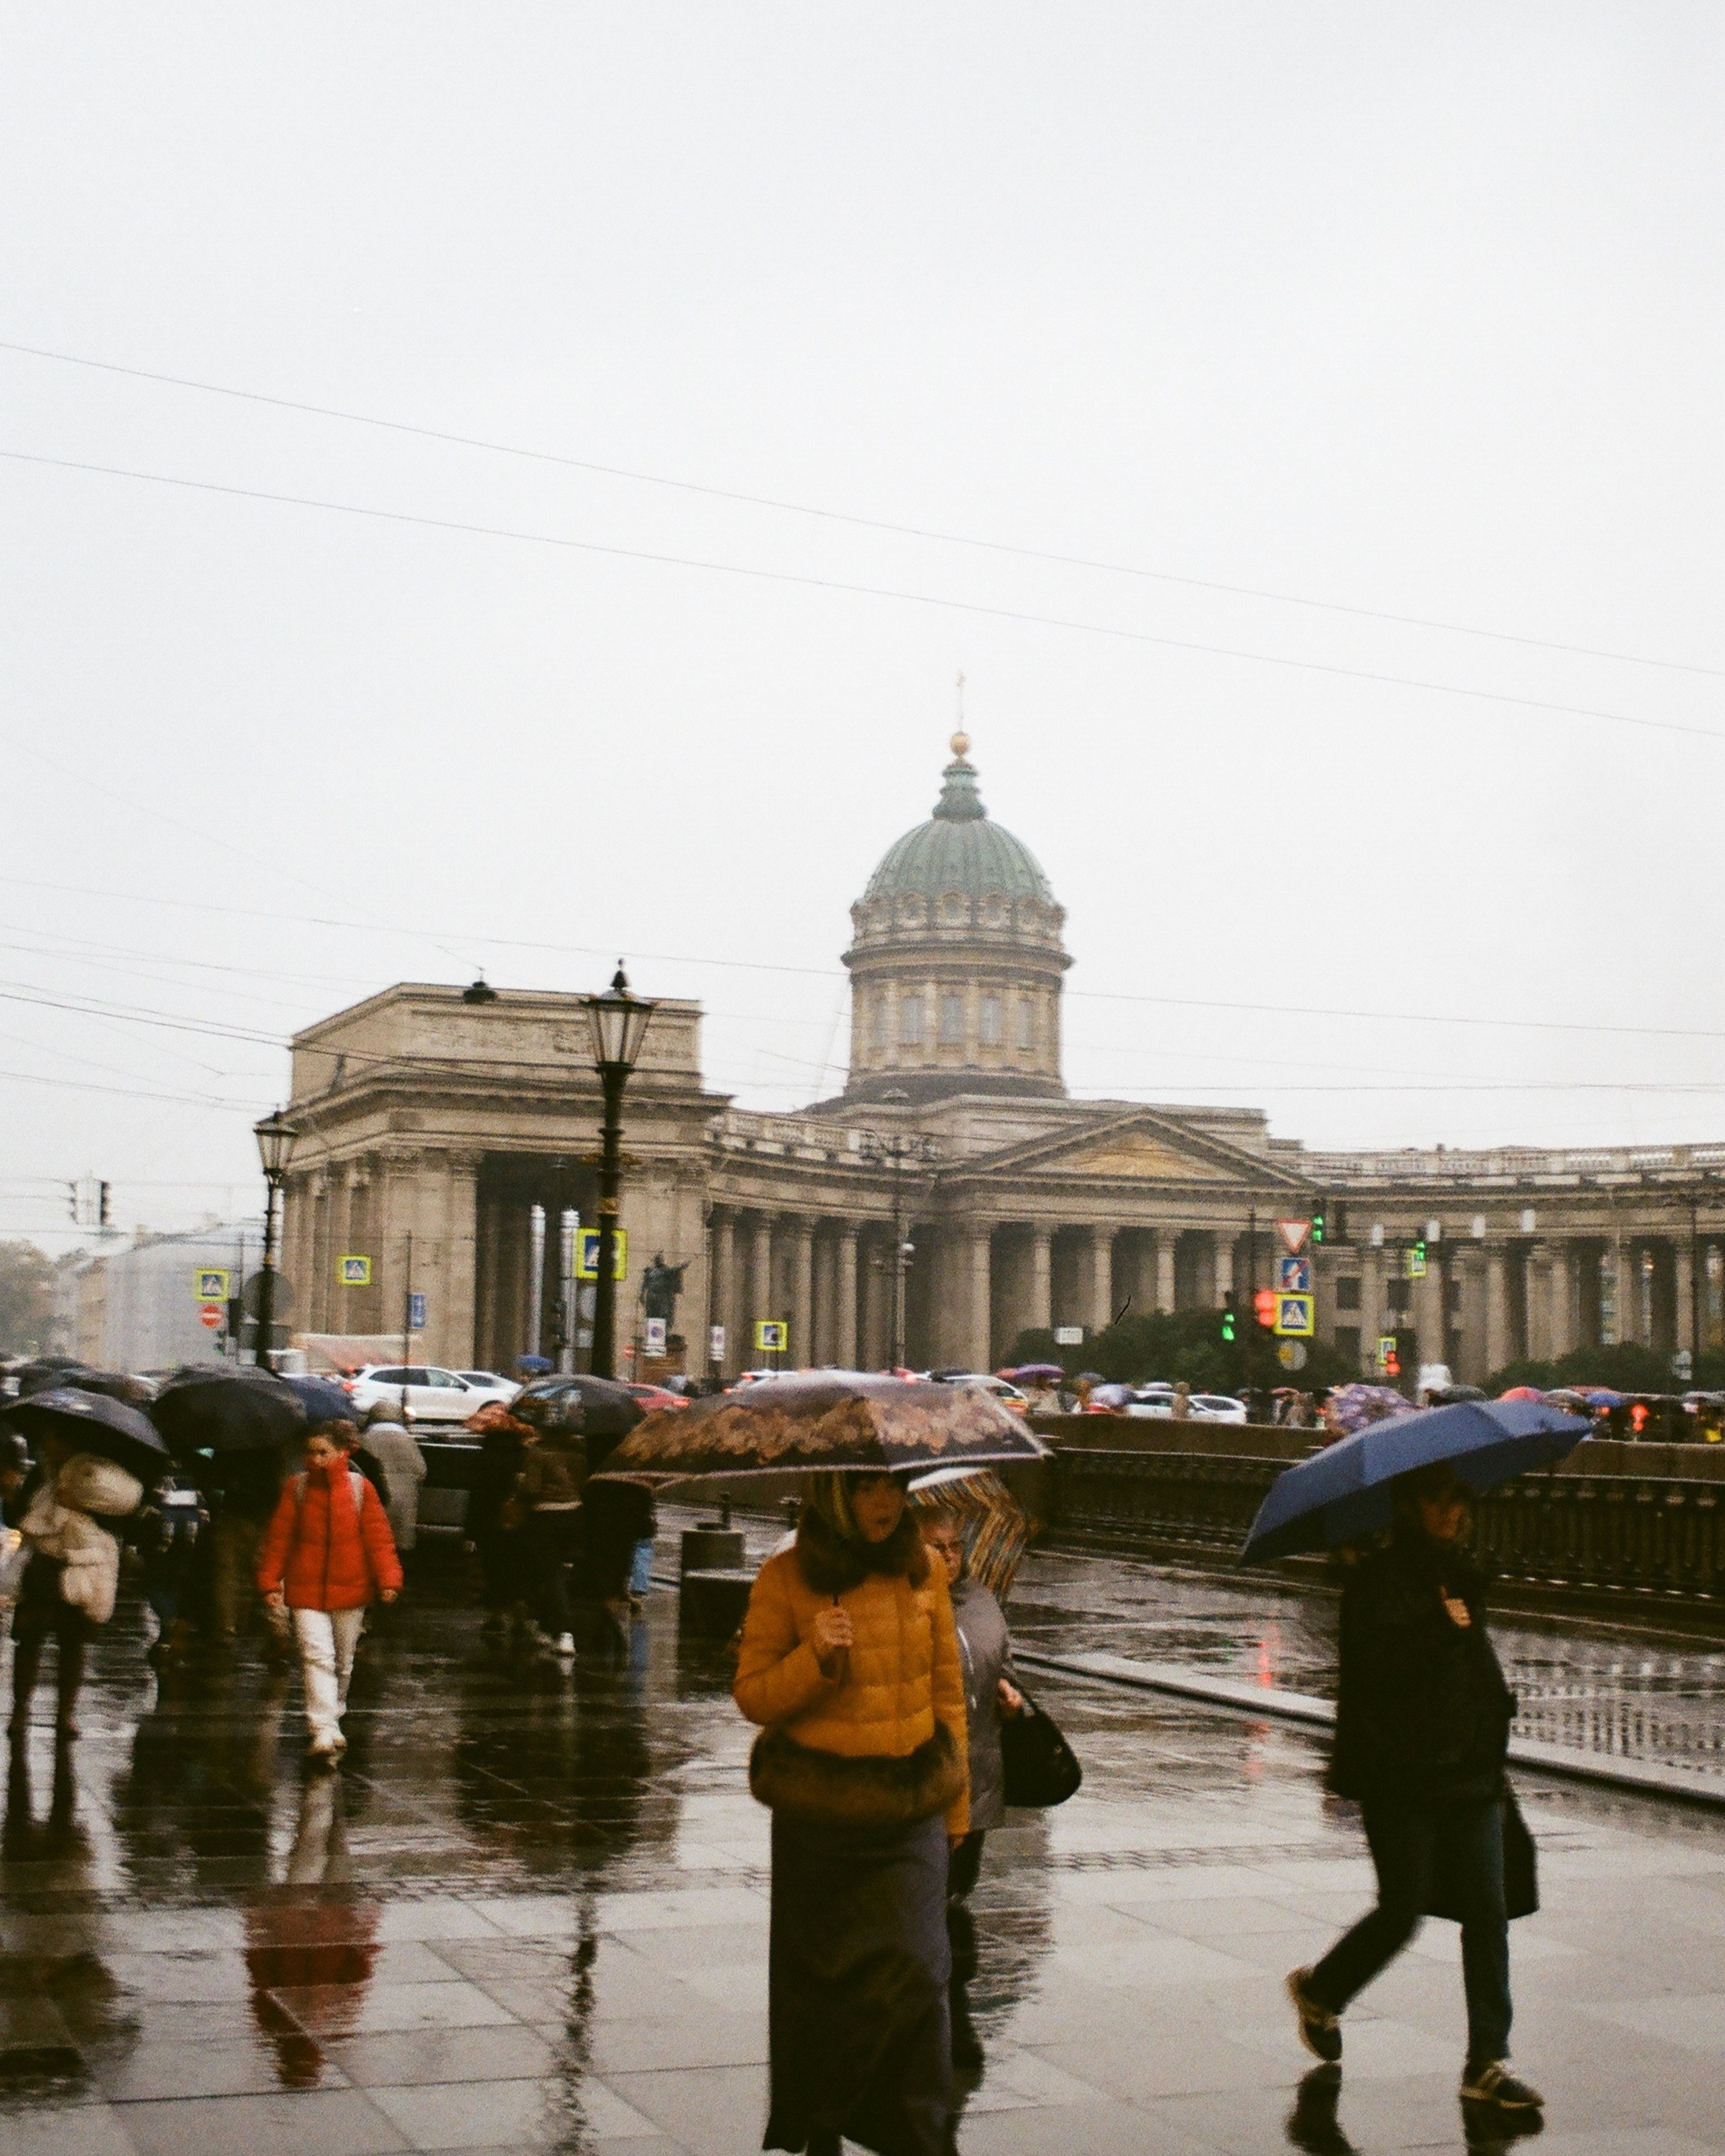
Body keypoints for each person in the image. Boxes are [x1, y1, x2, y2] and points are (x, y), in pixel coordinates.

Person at [1287, 1463, 1541, 2115]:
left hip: (1471, 1772)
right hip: (1402, 1774)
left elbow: (1472, 1668)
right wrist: (1439, 1623)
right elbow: (1379, 1681)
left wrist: (1493, 1716)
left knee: (1487, 1912)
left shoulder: (1460, 1574)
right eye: (1437, 1499)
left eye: (1458, 1498)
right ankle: (1322, 1988)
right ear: (1407, 1506)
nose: (1451, 1511)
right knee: (1402, 1907)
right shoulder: (1374, 1583)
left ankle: (1488, 2058)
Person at [734, 1470, 968, 2156]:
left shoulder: (922, 1566)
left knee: (924, 1972)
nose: (884, 1502)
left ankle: (919, 2133)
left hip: (909, 1810)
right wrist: (814, 1656)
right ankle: (823, 2116)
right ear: (834, 1494)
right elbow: (752, 1695)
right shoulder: (786, 1576)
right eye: (866, 1487)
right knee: (823, 1989)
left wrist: (956, 1805)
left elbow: (945, 1691)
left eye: (894, 1486)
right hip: (822, 1820)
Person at [918, 1507, 1027, 2075]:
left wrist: (1010, 1691)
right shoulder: (903, 1600)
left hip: (979, 1778)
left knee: (959, 1889)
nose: (949, 1555)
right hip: (926, 1778)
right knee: (925, 1895)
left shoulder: (981, 1600)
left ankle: (946, 1990)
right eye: (935, 1544)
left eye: (955, 1545)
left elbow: (1000, 1662)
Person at [255, 1420, 402, 1766]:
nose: (316, 1459)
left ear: (342, 1453)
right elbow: (279, 1539)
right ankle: (321, 1726)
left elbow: (379, 1539)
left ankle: (334, 1715)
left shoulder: (360, 1490)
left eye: (323, 1452)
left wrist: (389, 1580)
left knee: (343, 1661)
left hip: (352, 1589)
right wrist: (270, 1581)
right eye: (310, 1452)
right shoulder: (297, 1488)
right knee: (315, 1655)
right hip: (304, 1589)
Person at [6, 1431, 143, 1741]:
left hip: (81, 1569)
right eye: (46, 1440)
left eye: (55, 1440)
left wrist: (84, 1506)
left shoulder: (99, 1476)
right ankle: (20, 1711)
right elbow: (16, 1517)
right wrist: (15, 1497)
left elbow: (120, 1521)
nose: (48, 1446)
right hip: (41, 1567)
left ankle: (65, 1714)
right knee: (29, 1640)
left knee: (73, 1644)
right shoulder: (40, 1476)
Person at [511, 1416, 586, 1657]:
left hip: (544, 1518)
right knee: (558, 1572)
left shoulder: (538, 1452)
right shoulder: (579, 1453)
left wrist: (519, 1486)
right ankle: (548, 1627)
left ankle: (564, 1631)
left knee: (548, 1572)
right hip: (573, 1516)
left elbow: (532, 1489)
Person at [464, 1405, 530, 1637]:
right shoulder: (524, 1456)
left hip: (488, 1523)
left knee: (493, 1569)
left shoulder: (485, 1458)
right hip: (518, 1523)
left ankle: (496, 1616)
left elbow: (477, 1495)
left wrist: (469, 1531)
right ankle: (519, 1611)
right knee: (517, 1568)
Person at [360, 1404, 427, 1556]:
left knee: (374, 1543)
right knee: (398, 1547)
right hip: (405, 1502)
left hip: (376, 1501)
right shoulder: (407, 1440)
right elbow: (421, 1470)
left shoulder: (366, 1439)